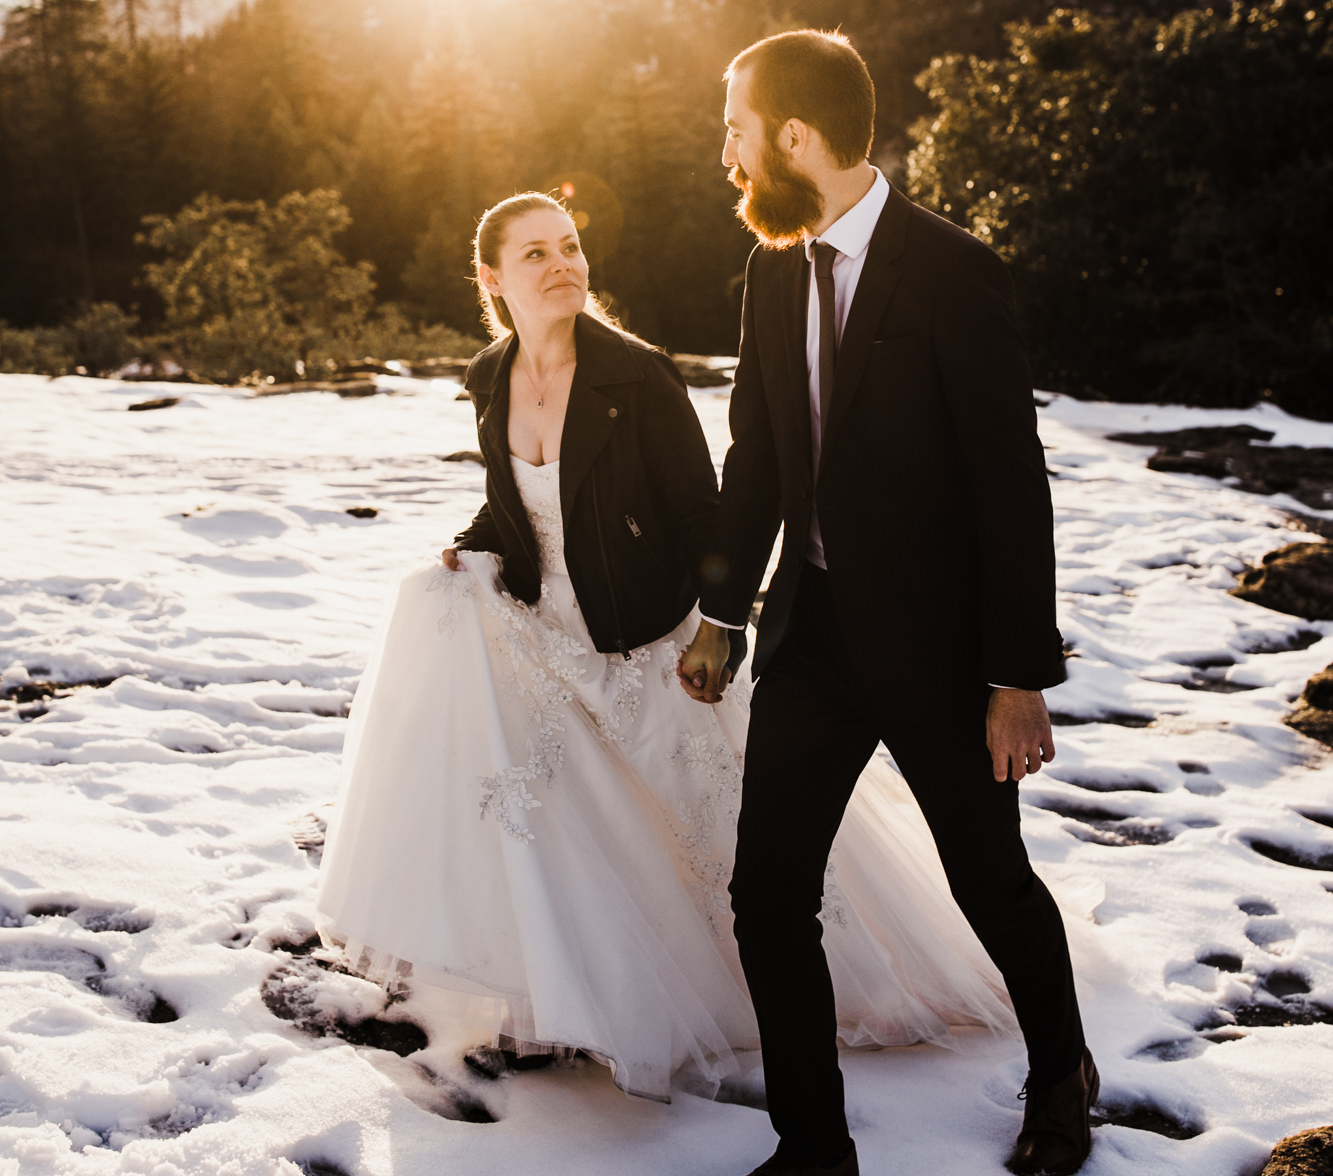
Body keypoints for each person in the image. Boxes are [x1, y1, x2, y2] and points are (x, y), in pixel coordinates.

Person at [316, 190, 1022, 1104]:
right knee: (566, 824)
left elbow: (704, 511)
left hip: (648, 633)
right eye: (534, 254)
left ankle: (800, 989)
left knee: (707, 830)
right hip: (544, 634)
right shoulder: (491, 374)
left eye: (569, 245)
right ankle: (583, 1001)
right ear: (493, 280)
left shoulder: (636, 376)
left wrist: (715, 629)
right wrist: (473, 543)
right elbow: (515, 501)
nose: (562, 264)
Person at [677, 29, 1094, 1176]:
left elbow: (1012, 486)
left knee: (990, 883)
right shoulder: (767, 270)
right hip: (811, 640)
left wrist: (1019, 674)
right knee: (766, 895)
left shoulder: (955, 272)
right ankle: (812, 1151)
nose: (727, 153)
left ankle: (1062, 1070)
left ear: (793, 138)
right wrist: (719, 608)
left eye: (737, 129)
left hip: (945, 658)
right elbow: (757, 457)